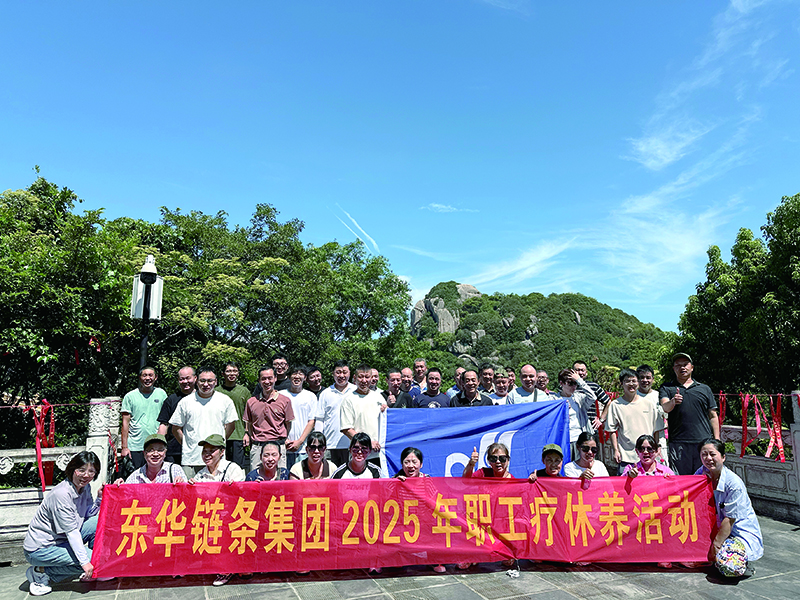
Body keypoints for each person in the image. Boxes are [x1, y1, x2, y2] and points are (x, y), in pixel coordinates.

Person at [24, 451, 103, 595]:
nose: (86, 475)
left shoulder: (85, 487)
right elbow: (71, 533)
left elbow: (88, 515)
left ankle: (96, 568)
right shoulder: (61, 494)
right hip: (41, 548)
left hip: (63, 538)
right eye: (81, 470)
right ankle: (41, 572)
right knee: (92, 559)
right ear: (72, 469)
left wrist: (99, 499)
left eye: (91, 471)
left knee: (98, 523)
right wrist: (85, 562)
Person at [696, 438, 763, 578]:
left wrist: (716, 545)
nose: (708, 458)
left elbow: (730, 519)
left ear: (723, 457)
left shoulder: (734, 484)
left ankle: (744, 562)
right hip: (713, 529)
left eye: (712, 454)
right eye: (704, 455)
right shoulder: (700, 473)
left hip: (737, 532)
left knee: (730, 567)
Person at [189, 435, 245, 587]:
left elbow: (242, 495)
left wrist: (235, 489)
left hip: (231, 517)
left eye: (212, 451)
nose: (207, 454)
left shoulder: (233, 468)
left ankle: (226, 569)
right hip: (210, 517)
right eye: (204, 451)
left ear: (222, 452)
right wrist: (191, 487)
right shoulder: (200, 474)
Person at [169, 366, 238, 479]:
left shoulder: (225, 400)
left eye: (210, 381)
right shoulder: (185, 402)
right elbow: (176, 428)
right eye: (202, 381)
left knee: (215, 490)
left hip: (217, 460)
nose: (206, 384)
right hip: (191, 459)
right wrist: (187, 444)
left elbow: (231, 425)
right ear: (196, 381)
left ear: (216, 382)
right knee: (189, 489)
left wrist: (219, 442)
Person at [659, 353, 719, 475]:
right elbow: (665, 407)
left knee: (704, 478)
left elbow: (713, 415)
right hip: (678, 442)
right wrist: (673, 401)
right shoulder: (667, 388)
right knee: (681, 479)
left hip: (703, 441)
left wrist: (717, 439)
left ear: (692, 367)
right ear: (674, 369)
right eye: (678, 365)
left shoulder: (704, 389)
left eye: (685, 364)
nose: (682, 367)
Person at [461, 442, 516, 570]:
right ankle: (475, 552)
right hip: (481, 524)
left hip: (502, 527)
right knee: (462, 565)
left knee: (508, 562)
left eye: (502, 458)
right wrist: (471, 464)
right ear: (489, 461)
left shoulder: (514, 481)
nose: (498, 462)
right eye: (493, 458)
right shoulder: (483, 473)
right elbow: (465, 480)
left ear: (508, 460)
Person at [393, 448, 446, 574]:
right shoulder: (397, 480)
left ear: (421, 464)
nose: (410, 466)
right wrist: (395, 483)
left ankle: (434, 559)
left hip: (424, 522)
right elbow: (386, 500)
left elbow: (436, 501)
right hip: (402, 523)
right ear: (402, 464)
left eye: (414, 462)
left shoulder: (427, 480)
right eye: (406, 462)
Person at [605, 369, 664, 474]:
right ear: (622, 383)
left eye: (634, 381)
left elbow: (656, 429)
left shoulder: (649, 404)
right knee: (625, 483)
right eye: (627, 381)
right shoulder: (615, 405)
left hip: (647, 455)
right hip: (626, 456)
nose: (631, 384)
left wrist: (656, 449)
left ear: (638, 383)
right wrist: (616, 450)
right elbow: (612, 430)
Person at [243, 367, 295, 472]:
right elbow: (249, 424)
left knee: (280, 478)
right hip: (258, 446)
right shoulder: (251, 402)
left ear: (275, 378)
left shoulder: (285, 401)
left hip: (278, 445)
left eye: (270, 378)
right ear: (259, 381)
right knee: (255, 478)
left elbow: (288, 424)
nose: (267, 382)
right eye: (263, 379)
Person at [121, 366, 167, 469]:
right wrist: (124, 447)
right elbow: (125, 423)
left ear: (155, 377)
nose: (147, 378)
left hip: (155, 444)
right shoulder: (130, 396)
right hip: (135, 445)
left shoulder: (161, 394)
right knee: (136, 475)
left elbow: (166, 419)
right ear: (140, 377)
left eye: (150, 375)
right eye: (144, 375)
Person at [339, 365, 387, 462]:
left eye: (367, 377)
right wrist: (367, 443)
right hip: (360, 454)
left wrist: (387, 411)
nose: (364, 380)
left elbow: (387, 422)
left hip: (380, 454)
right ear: (355, 378)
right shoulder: (348, 400)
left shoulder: (379, 397)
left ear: (371, 378)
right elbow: (347, 429)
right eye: (360, 377)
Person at [315, 360, 356, 466]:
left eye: (344, 372)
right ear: (333, 374)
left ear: (350, 373)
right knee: (329, 474)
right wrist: (319, 441)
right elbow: (320, 419)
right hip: (330, 445)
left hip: (352, 445)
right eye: (338, 372)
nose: (341, 375)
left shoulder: (356, 391)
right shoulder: (325, 393)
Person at [157, 366, 196, 465]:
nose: (185, 381)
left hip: (196, 450)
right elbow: (164, 425)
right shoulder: (171, 400)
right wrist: (158, 446)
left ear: (195, 378)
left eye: (188, 378)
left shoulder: (202, 399)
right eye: (182, 379)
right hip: (173, 451)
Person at [552, 368, 596, 455]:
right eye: (570, 383)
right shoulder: (553, 399)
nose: (574, 387)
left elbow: (593, 397)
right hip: (563, 440)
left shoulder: (579, 398)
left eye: (575, 383)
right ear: (561, 383)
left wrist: (579, 380)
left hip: (579, 439)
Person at [215, 362, 249, 470]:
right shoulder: (216, 391)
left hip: (238, 435)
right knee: (219, 467)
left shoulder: (244, 391)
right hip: (219, 435)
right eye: (229, 371)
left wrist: (247, 433)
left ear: (238, 373)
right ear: (223, 373)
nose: (232, 374)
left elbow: (248, 414)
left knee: (237, 468)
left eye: (234, 371)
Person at [284, 366, 318, 470]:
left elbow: (311, 421)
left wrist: (300, 441)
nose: (297, 376)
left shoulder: (311, 396)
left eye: (300, 374)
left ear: (305, 378)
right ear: (289, 377)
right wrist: (285, 439)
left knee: (303, 475)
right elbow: (276, 422)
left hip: (303, 448)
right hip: (284, 448)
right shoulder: (281, 395)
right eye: (294, 373)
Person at [118, 434, 186, 484]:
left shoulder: (175, 470)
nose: (155, 454)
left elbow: (187, 494)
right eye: (151, 450)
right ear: (144, 453)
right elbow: (125, 495)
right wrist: (118, 487)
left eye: (160, 450)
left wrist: (183, 484)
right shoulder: (136, 476)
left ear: (165, 453)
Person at [573, 361, 610, 429]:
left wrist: (601, 419)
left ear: (586, 372)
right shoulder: (567, 387)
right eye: (577, 370)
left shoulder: (593, 386)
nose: (580, 373)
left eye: (582, 370)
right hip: (573, 427)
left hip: (590, 427)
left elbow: (608, 402)